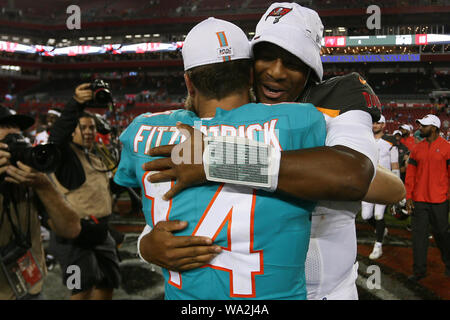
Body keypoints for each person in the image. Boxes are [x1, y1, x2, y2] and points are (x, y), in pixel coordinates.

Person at [137, 3, 405, 300]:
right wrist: (146, 244)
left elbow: (356, 177)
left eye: (293, 62)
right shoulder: (229, 106)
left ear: (310, 68)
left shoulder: (335, 96)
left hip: (326, 292)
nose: (276, 72)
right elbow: (178, 202)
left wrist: (220, 159)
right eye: (265, 57)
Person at [115, 17, 327, 299]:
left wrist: (145, 245)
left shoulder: (141, 131)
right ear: (250, 75)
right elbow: (359, 178)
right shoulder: (300, 121)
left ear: (189, 83)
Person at [47, 85, 121, 300]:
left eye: (92, 128)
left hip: (101, 230)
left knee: (108, 281)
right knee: (80, 288)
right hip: (74, 235)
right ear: (72, 131)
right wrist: (76, 104)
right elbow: (57, 136)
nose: (89, 132)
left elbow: (110, 187)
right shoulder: (64, 156)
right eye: (83, 128)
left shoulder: (96, 154)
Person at [0, 105, 80, 300]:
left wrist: (44, 186)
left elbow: (71, 229)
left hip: (30, 289)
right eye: (4, 127)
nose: (14, 135)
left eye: (17, 131)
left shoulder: (30, 179)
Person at [405, 114, 450, 281]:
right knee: (418, 236)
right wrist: (409, 196)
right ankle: (419, 271)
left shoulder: (447, 148)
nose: (420, 128)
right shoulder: (417, 149)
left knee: (442, 234)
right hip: (419, 199)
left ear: (434, 128)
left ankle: (448, 262)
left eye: (424, 126)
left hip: (440, 200)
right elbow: (410, 174)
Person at [361, 115, 400, 259]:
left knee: (379, 215)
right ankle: (381, 229)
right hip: (368, 184)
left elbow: (395, 167)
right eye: (374, 123)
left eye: (378, 123)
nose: (375, 125)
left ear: (384, 125)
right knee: (366, 216)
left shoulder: (390, 144)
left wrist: (397, 187)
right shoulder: (365, 142)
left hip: (384, 183)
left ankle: (378, 245)